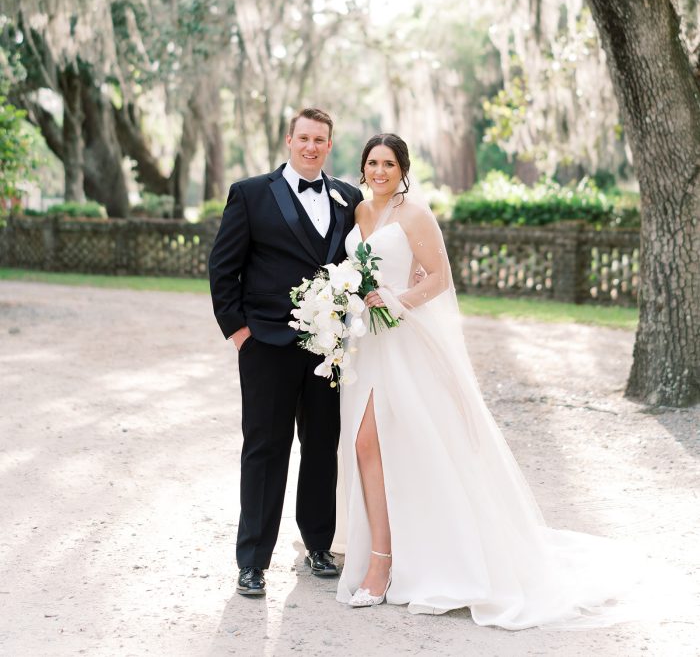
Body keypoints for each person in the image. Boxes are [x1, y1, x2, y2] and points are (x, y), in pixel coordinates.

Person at [336, 132, 656, 628]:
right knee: (370, 447)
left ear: (403, 170)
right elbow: (353, 273)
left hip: (403, 342)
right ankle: (386, 550)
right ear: (362, 169)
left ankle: (387, 563)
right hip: (366, 344)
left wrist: (396, 303)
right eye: (373, 163)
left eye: (389, 164)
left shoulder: (413, 215)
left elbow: (438, 278)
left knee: (379, 442)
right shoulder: (358, 215)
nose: (380, 171)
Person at [209, 107, 363, 598]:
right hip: (266, 348)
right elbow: (222, 268)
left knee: (322, 448)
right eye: (303, 138)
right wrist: (239, 332)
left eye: (320, 139)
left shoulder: (348, 199)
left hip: (328, 350)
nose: (311, 146)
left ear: (329, 145)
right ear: (288, 140)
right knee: (265, 451)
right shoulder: (251, 193)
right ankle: (252, 561)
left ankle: (318, 545)